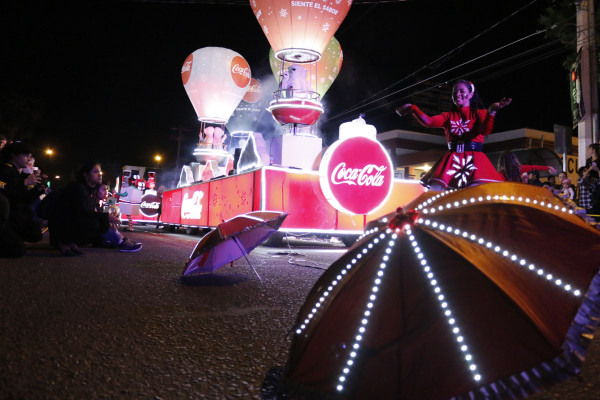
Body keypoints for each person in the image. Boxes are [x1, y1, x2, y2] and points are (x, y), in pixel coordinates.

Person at [396, 79, 511, 190]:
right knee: (435, 191)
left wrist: (493, 111)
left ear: (471, 94)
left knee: (475, 193)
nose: (457, 94)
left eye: (462, 91)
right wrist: (413, 109)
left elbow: (485, 131)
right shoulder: (448, 116)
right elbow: (429, 122)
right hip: (452, 159)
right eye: (454, 92)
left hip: (474, 159)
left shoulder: (480, 113)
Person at [48, 162, 142, 255]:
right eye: (95, 172)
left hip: (68, 223)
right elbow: (79, 213)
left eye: (100, 172)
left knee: (102, 221)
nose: (100, 175)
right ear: (86, 175)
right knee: (96, 223)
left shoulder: (89, 190)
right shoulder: (78, 188)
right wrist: (106, 216)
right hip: (60, 226)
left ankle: (72, 243)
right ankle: (64, 242)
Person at [0, 141, 44, 251]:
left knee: (36, 234)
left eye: (30, 156)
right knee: (17, 250)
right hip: (7, 217)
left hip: (16, 216)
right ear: (13, 155)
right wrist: (24, 183)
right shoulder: (5, 170)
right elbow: (5, 192)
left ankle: (13, 236)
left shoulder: (19, 173)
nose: (29, 159)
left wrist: (37, 189)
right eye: (25, 155)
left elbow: (23, 198)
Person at [94, 180, 141, 251]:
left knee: (111, 223)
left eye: (107, 190)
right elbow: (90, 216)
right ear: (96, 190)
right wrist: (107, 217)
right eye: (104, 190)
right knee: (106, 223)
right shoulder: (91, 201)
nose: (106, 193)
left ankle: (122, 239)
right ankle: (121, 242)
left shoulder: (96, 203)